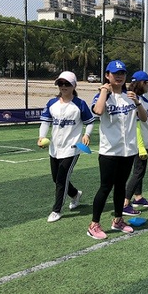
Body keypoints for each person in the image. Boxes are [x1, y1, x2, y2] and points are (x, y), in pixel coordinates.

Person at [87, 60, 148, 240]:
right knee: (105, 187)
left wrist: (137, 102)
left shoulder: (130, 96)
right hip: (109, 151)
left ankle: (118, 220)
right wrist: (104, 91)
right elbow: (98, 111)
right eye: (115, 73)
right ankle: (94, 225)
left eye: (122, 73)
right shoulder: (102, 96)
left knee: (121, 187)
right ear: (107, 75)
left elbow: (144, 118)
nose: (119, 76)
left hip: (128, 151)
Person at [38, 71, 95, 222]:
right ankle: (75, 194)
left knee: (61, 179)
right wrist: (42, 137)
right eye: (60, 83)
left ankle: (56, 210)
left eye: (67, 84)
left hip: (72, 148)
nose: (63, 86)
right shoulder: (52, 103)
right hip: (55, 148)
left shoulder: (80, 104)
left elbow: (90, 122)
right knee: (56, 178)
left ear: (74, 86)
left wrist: (87, 135)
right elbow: (45, 122)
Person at [123, 70, 148, 216]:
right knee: (138, 172)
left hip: (145, 140)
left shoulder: (142, 99)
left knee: (139, 170)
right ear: (142, 83)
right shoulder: (131, 99)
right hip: (138, 142)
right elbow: (136, 124)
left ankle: (138, 197)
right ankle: (125, 202)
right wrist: (141, 146)